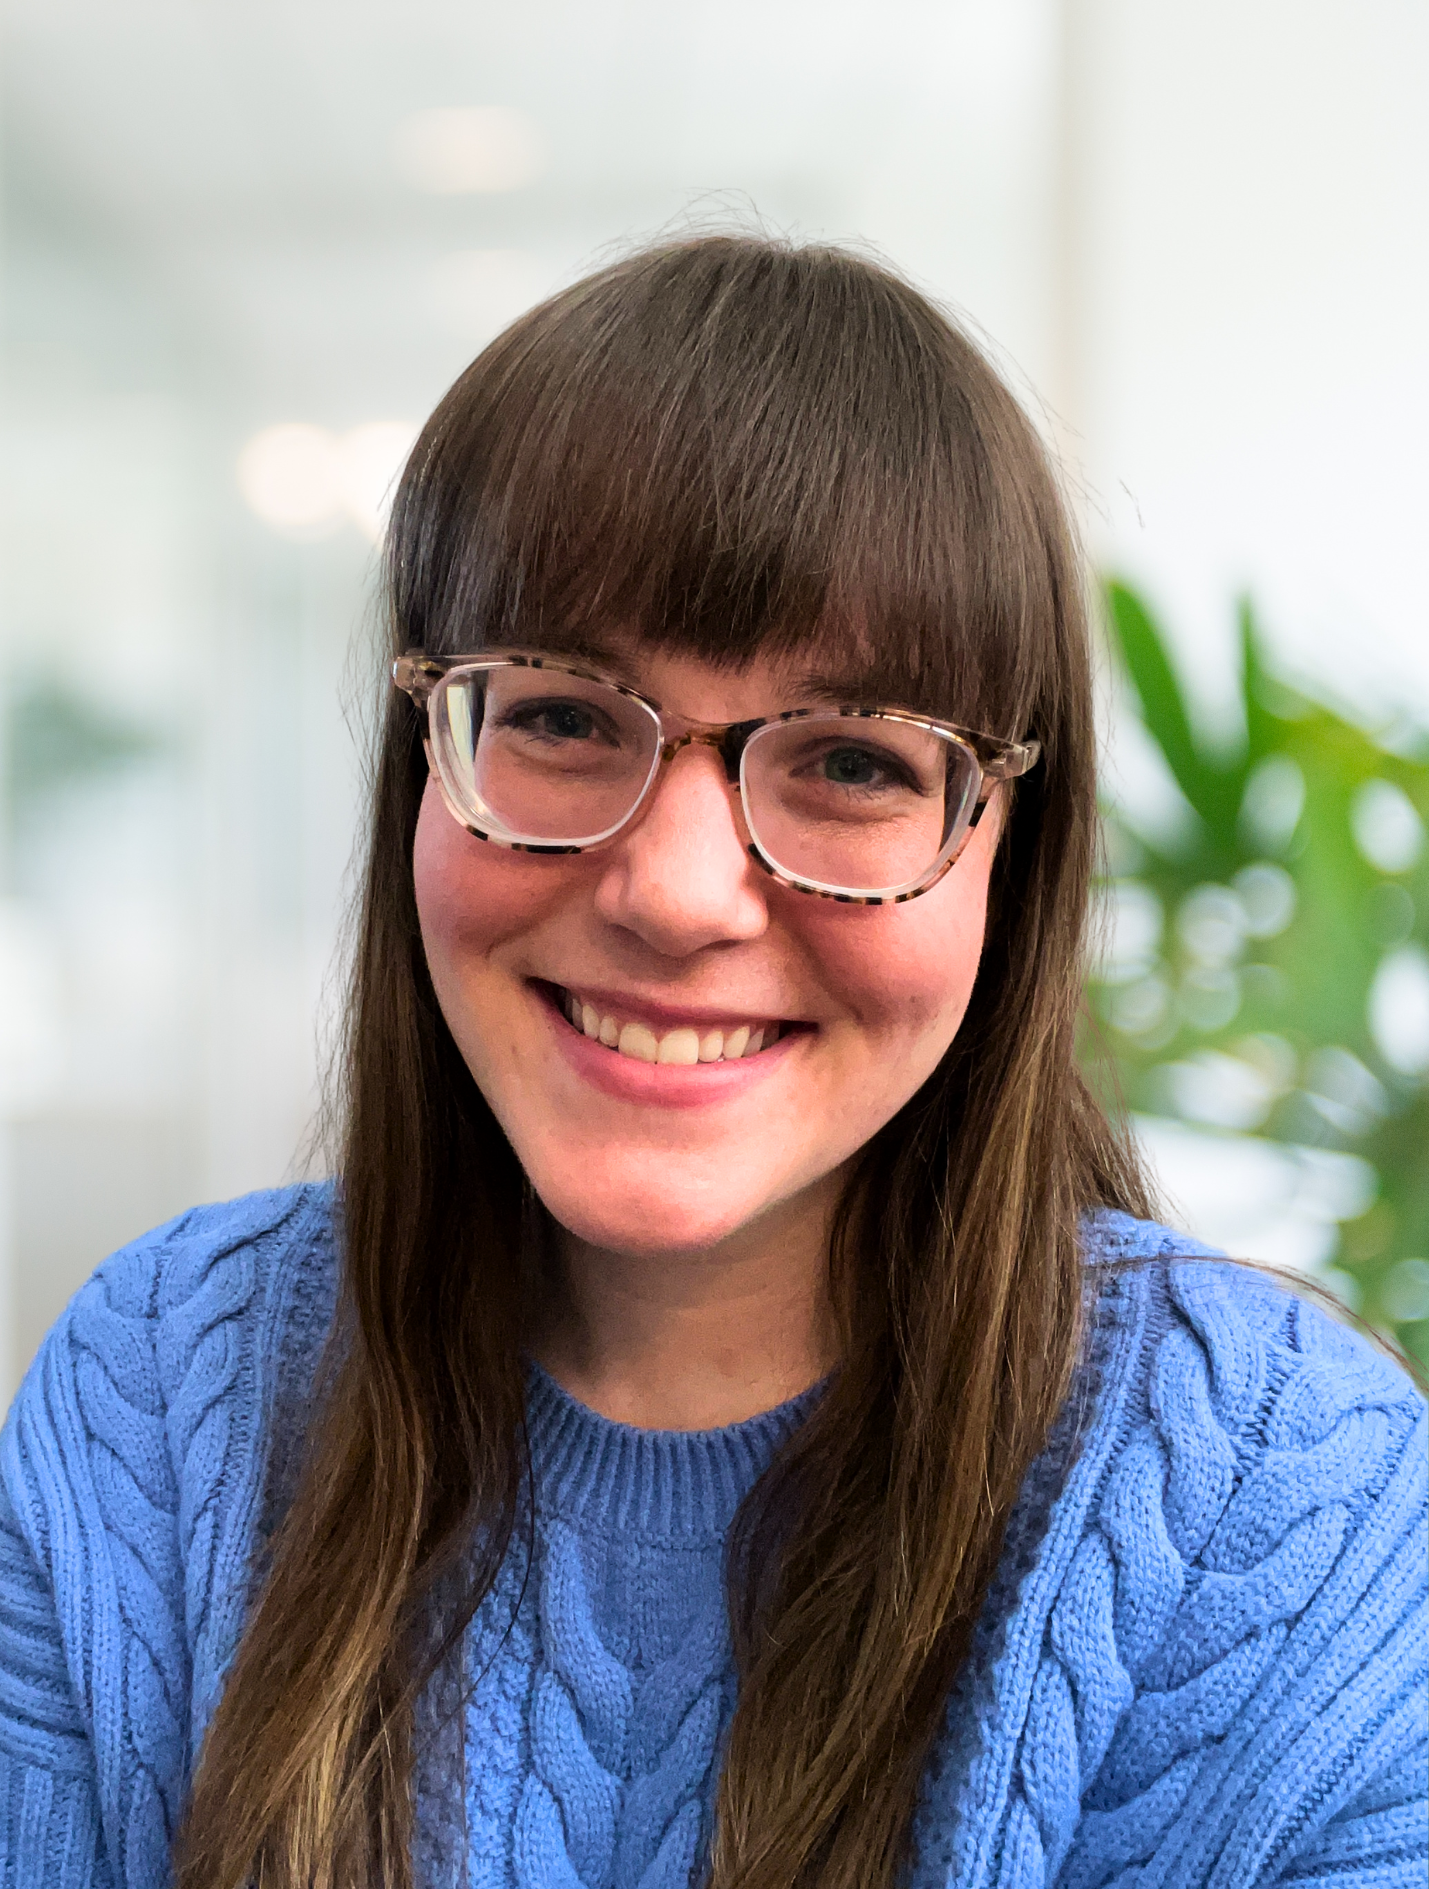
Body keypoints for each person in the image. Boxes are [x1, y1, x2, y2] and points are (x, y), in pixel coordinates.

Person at [1, 237, 1423, 1889]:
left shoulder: (1275, 1500)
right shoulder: (159, 1399)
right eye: (560, 718)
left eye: (849, 760)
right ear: (422, 771)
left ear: (1007, 857)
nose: (676, 895)